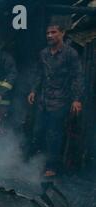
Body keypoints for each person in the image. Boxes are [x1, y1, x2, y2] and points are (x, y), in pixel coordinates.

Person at [28, 22, 85, 178]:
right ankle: (36, 161)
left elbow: (77, 77)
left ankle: (52, 166)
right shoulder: (44, 53)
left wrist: (76, 99)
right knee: (38, 131)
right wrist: (33, 90)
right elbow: (39, 73)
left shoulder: (70, 54)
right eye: (48, 33)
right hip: (44, 100)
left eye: (53, 32)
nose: (50, 36)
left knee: (54, 134)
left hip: (61, 101)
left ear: (62, 34)